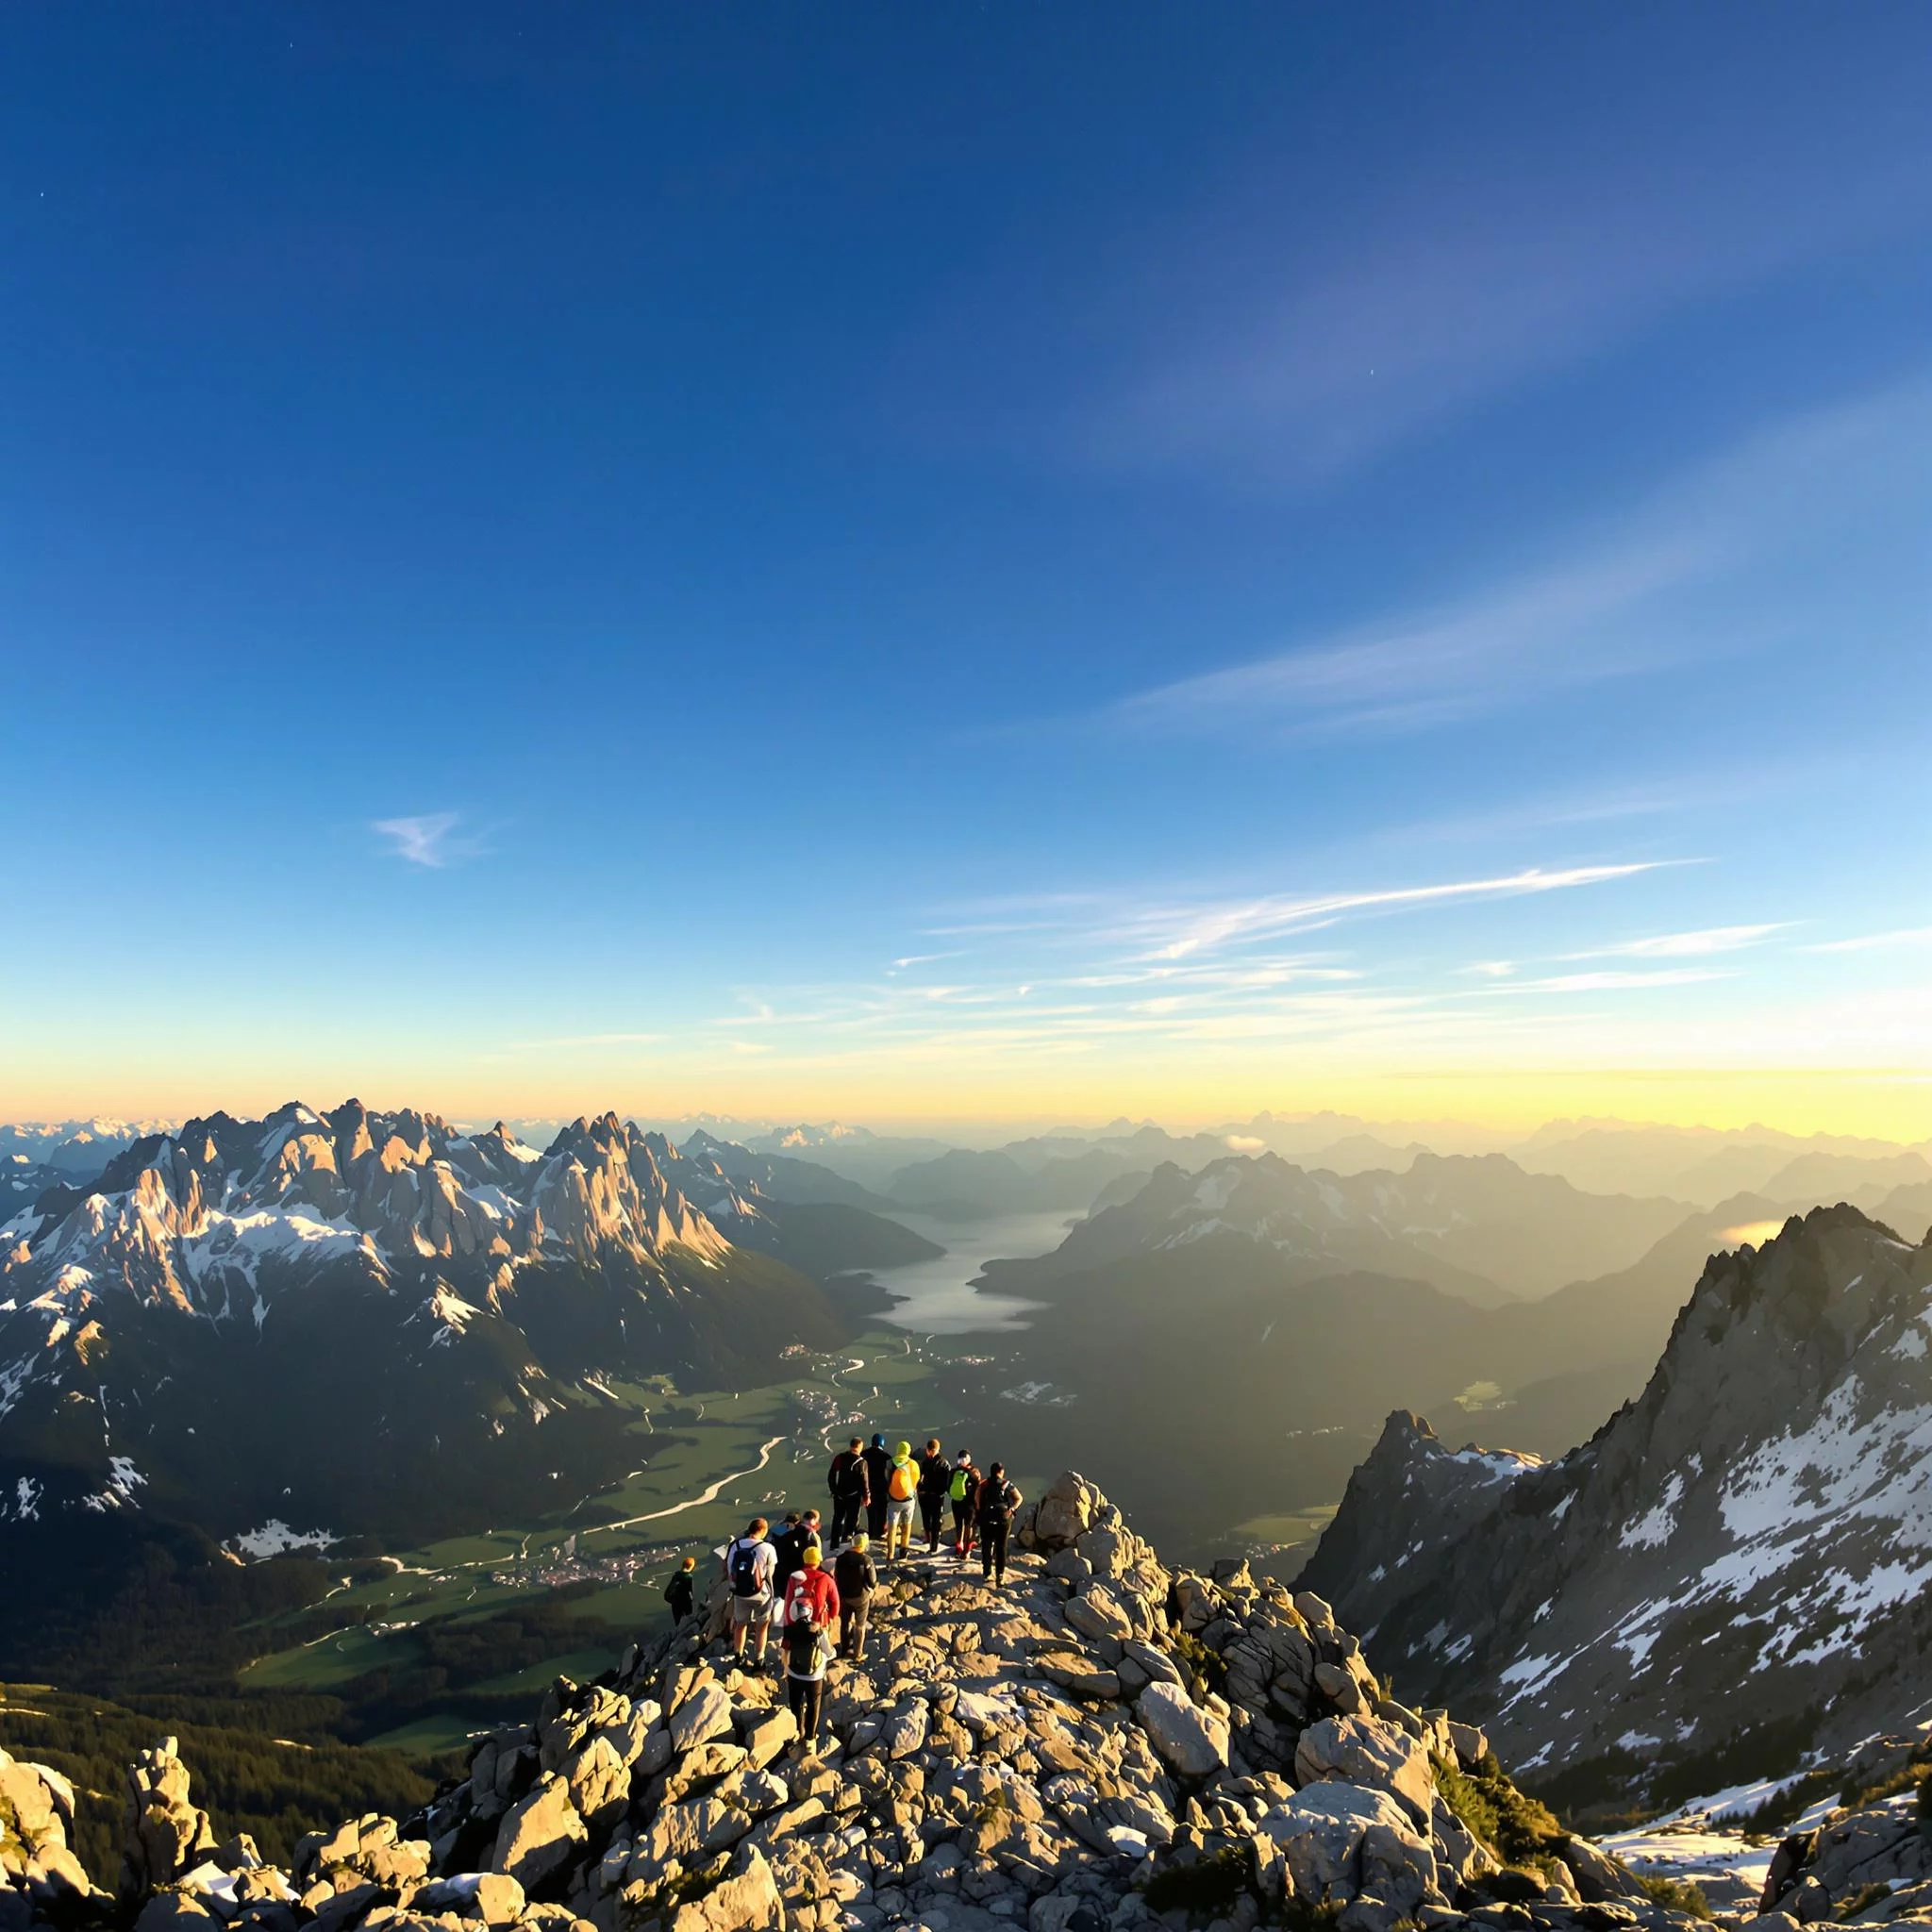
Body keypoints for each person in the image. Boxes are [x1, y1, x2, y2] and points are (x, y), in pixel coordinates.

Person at [780, 1547, 839, 1751]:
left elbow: (788, 1603)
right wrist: (827, 1620)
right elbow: (836, 1606)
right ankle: (810, 1740)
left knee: (795, 1699)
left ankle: (797, 1730)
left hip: (794, 1665)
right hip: (815, 1664)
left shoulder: (794, 1578)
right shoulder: (826, 1578)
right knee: (814, 1703)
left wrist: (790, 1629)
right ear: (819, 1559)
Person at [723, 1517, 778, 1669]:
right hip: (761, 1595)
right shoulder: (767, 1548)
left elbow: (729, 1570)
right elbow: (770, 1574)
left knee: (740, 1624)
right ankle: (759, 1660)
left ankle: (738, 1656)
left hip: (740, 1593)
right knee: (762, 1626)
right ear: (763, 1531)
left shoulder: (735, 1546)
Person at [974, 1462, 1022, 1587]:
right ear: (1001, 1472)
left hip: (987, 1519)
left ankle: (986, 1573)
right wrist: (1011, 1509)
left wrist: (980, 1512)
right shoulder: (1007, 1484)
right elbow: (1019, 1498)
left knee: (986, 1545)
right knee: (1001, 1547)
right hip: (1003, 1520)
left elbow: (977, 1498)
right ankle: (1000, 1575)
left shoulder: (984, 1484)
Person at [833, 1532, 877, 1660]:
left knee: (845, 1622)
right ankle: (858, 1653)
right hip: (861, 1598)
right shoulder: (866, 1560)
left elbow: (837, 1577)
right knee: (860, 1625)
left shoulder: (840, 1559)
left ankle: (844, 1648)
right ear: (863, 1546)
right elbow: (872, 1582)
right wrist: (872, 1590)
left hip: (844, 1596)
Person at [828, 1437, 870, 1546]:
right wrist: (867, 1496)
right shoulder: (862, 1462)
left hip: (839, 1495)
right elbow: (864, 1482)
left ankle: (834, 1543)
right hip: (854, 1496)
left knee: (837, 1519)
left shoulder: (840, 1457)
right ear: (860, 1447)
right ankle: (847, 1541)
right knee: (852, 1519)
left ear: (851, 1446)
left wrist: (834, 1490)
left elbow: (831, 1475)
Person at [883, 1441, 919, 1560]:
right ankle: (903, 1552)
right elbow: (916, 1481)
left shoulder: (889, 1463)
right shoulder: (913, 1464)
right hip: (909, 1500)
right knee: (906, 1525)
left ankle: (890, 1554)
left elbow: (887, 1479)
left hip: (893, 1500)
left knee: (892, 1527)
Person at [916, 1438, 950, 1554]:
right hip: (938, 1496)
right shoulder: (944, 1463)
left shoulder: (925, 1462)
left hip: (926, 1495)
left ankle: (927, 1539)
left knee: (926, 1518)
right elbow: (947, 1481)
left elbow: (920, 1478)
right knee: (936, 1521)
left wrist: (921, 1489)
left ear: (928, 1450)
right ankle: (934, 1546)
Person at [949, 1451, 978, 1560]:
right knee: (968, 1526)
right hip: (969, 1503)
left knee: (958, 1525)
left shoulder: (953, 1471)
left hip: (956, 1501)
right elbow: (978, 1485)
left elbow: (948, 1486)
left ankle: (958, 1547)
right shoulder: (974, 1471)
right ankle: (966, 1551)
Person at [862, 1432, 891, 1540]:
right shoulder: (886, 1457)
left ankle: (871, 1533)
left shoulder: (863, 1454)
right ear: (882, 1443)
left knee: (870, 1511)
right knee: (882, 1511)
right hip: (882, 1487)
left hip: (868, 1487)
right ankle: (880, 1533)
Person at [662, 1554, 696, 1625]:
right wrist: (692, 1600)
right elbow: (690, 1591)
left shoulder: (676, 1575)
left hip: (675, 1602)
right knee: (688, 1620)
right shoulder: (689, 1577)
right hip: (686, 1602)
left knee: (678, 1622)